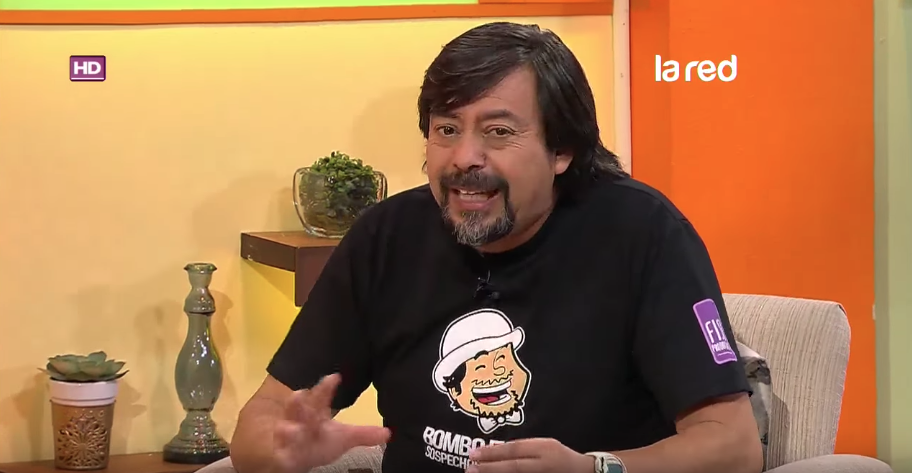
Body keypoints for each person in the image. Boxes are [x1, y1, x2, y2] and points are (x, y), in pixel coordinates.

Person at [230, 21, 762, 473]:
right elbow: (262, 420)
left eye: (498, 132)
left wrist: (593, 469)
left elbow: (734, 446)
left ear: (562, 150)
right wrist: (279, 450)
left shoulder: (643, 234)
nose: (464, 157)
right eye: (446, 130)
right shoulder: (387, 236)